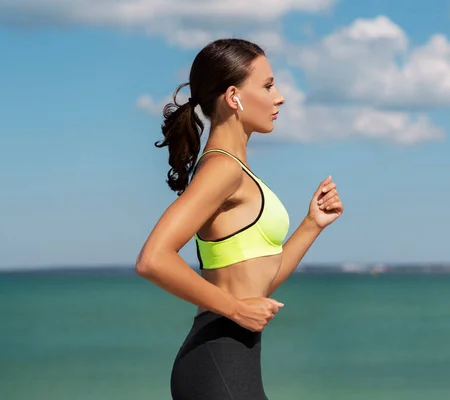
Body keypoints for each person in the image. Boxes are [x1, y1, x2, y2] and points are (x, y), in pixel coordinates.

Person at [135, 38, 344, 400]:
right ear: (234, 97)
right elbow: (153, 259)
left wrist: (312, 225)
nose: (279, 97)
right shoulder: (221, 170)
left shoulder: (236, 170)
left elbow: (256, 287)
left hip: (230, 359)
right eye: (267, 86)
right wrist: (234, 308)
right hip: (218, 361)